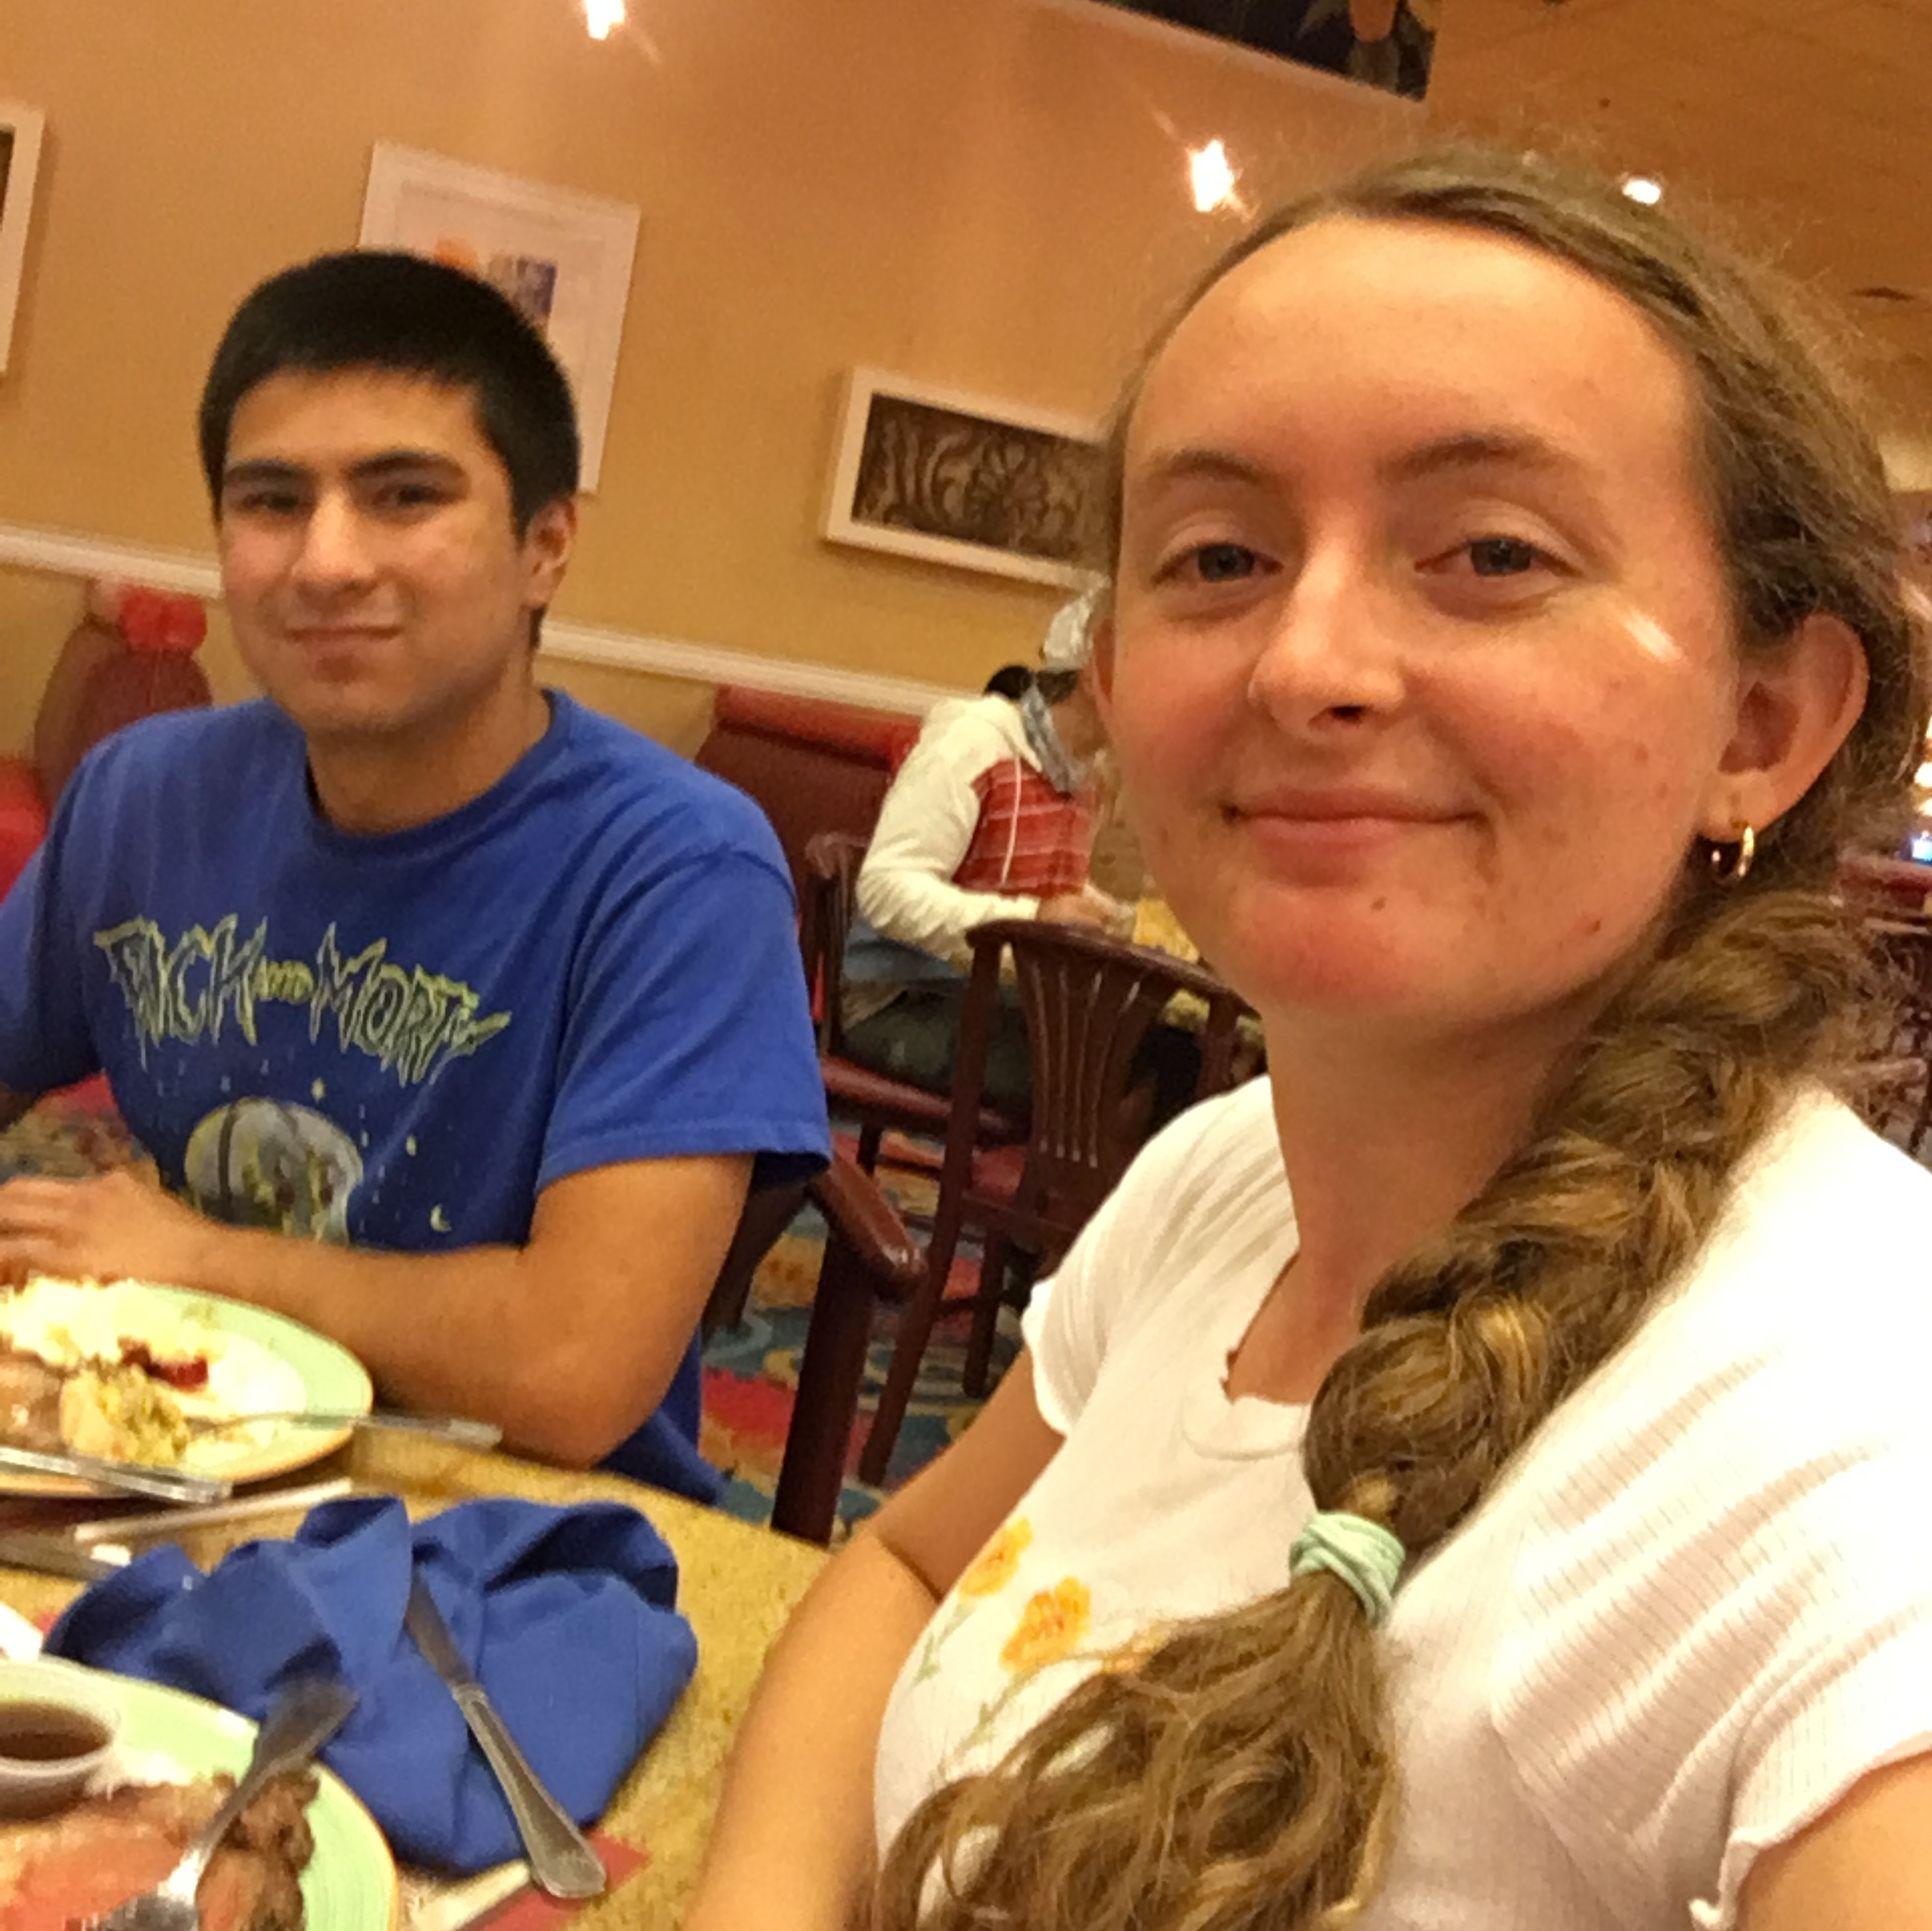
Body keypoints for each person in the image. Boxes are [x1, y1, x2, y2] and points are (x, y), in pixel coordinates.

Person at [685, 145, 1932, 1929]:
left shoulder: (1857, 1441)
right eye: (1220, 557)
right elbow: (897, 1565)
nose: (1305, 662)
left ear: (1763, 722)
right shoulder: (1212, 1183)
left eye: (1491, 553)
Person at [0, 252, 829, 1501]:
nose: (325, 561)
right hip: (163, 1461)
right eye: (272, 500)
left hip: (508, 1526)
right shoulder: (145, 793)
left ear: (545, 546)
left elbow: (576, 1363)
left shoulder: (680, 870)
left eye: (403, 496)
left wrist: (197, 1258)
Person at [841, 585, 1124, 1109]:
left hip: (995, 996)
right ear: (1095, 674)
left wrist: (1107, 915)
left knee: (1161, 1052)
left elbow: (1041, 891)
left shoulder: (1085, 777)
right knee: (1105, 1071)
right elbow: (884, 888)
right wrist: (1034, 919)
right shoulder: (973, 741)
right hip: (899, 1000)